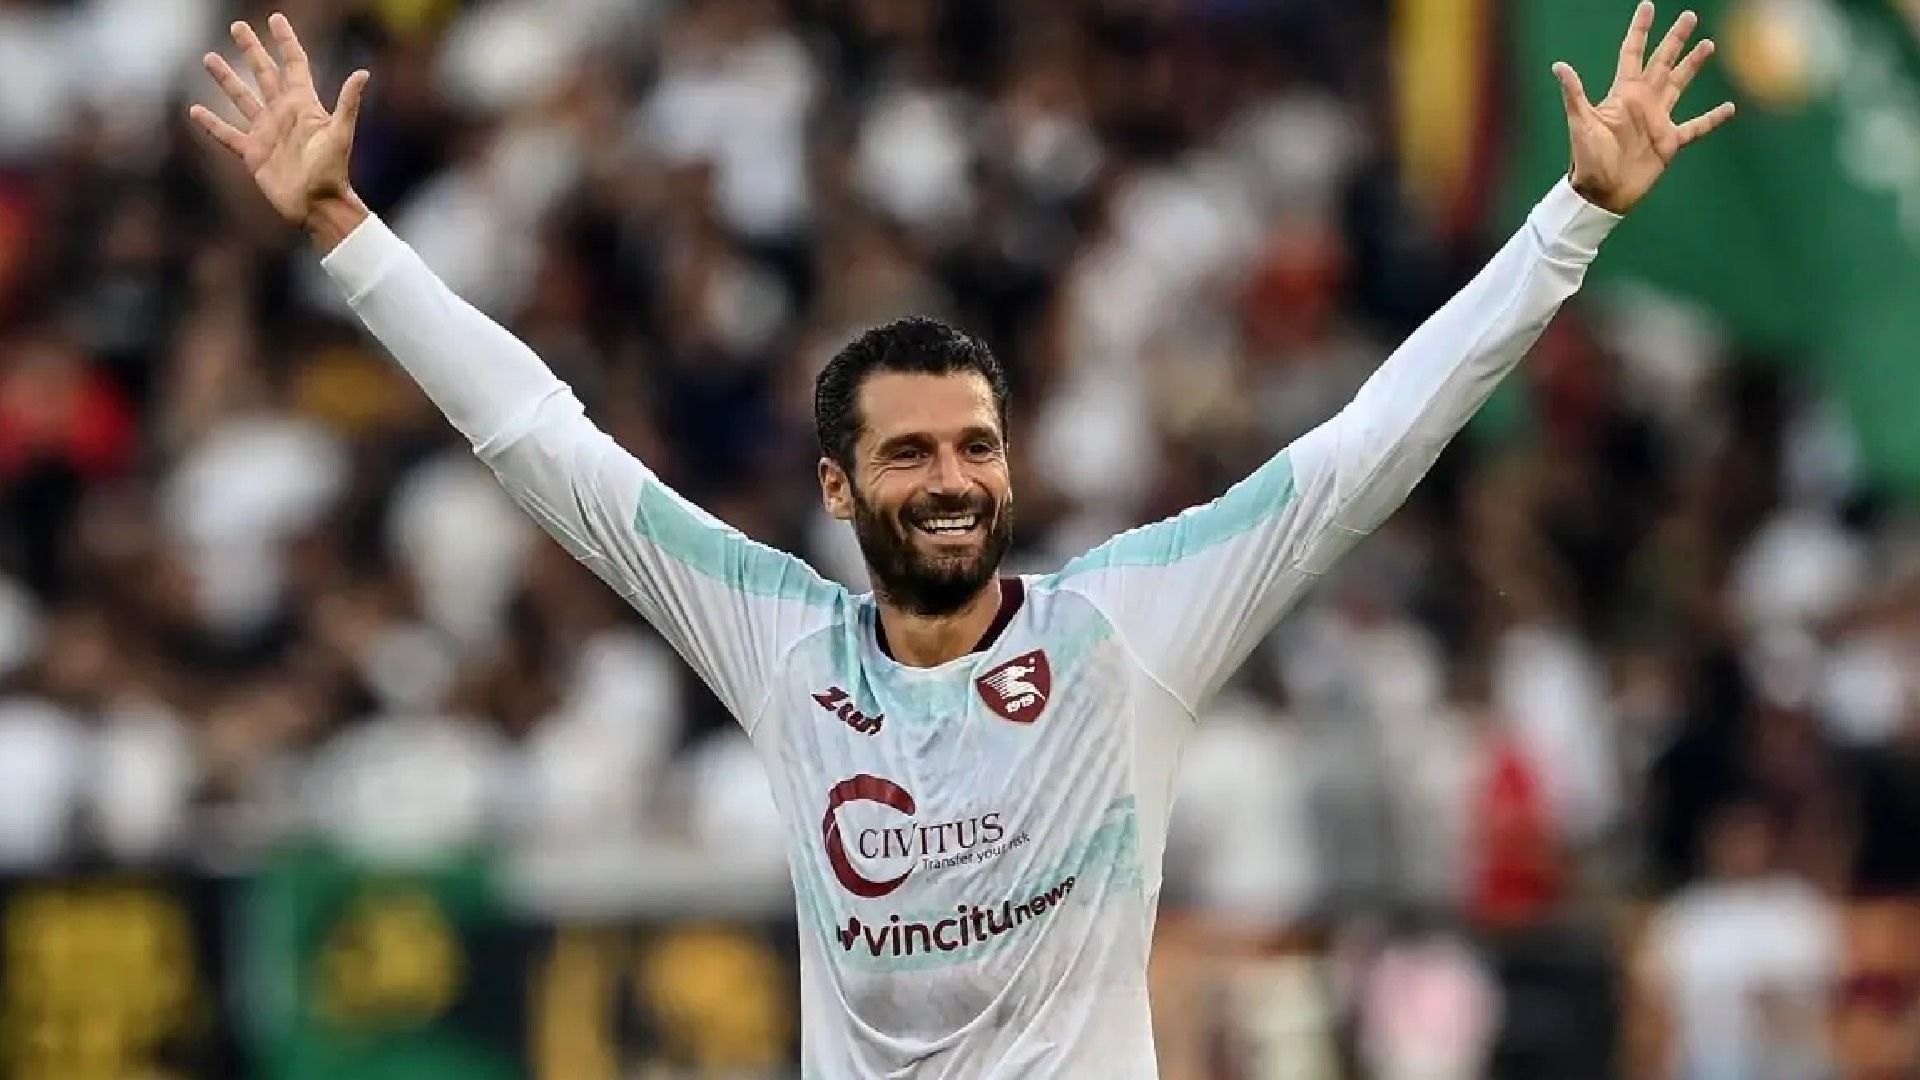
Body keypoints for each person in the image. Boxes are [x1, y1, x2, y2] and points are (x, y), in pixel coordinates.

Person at [188, 7, 1734, 1075]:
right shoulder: (783, 646)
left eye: (978, 447)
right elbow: (551, 453)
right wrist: (345, 233)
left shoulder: (1121, 633)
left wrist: (1571, 223)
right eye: (912, 452)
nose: (953, 479)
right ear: (839, 487)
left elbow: (1364, 451)